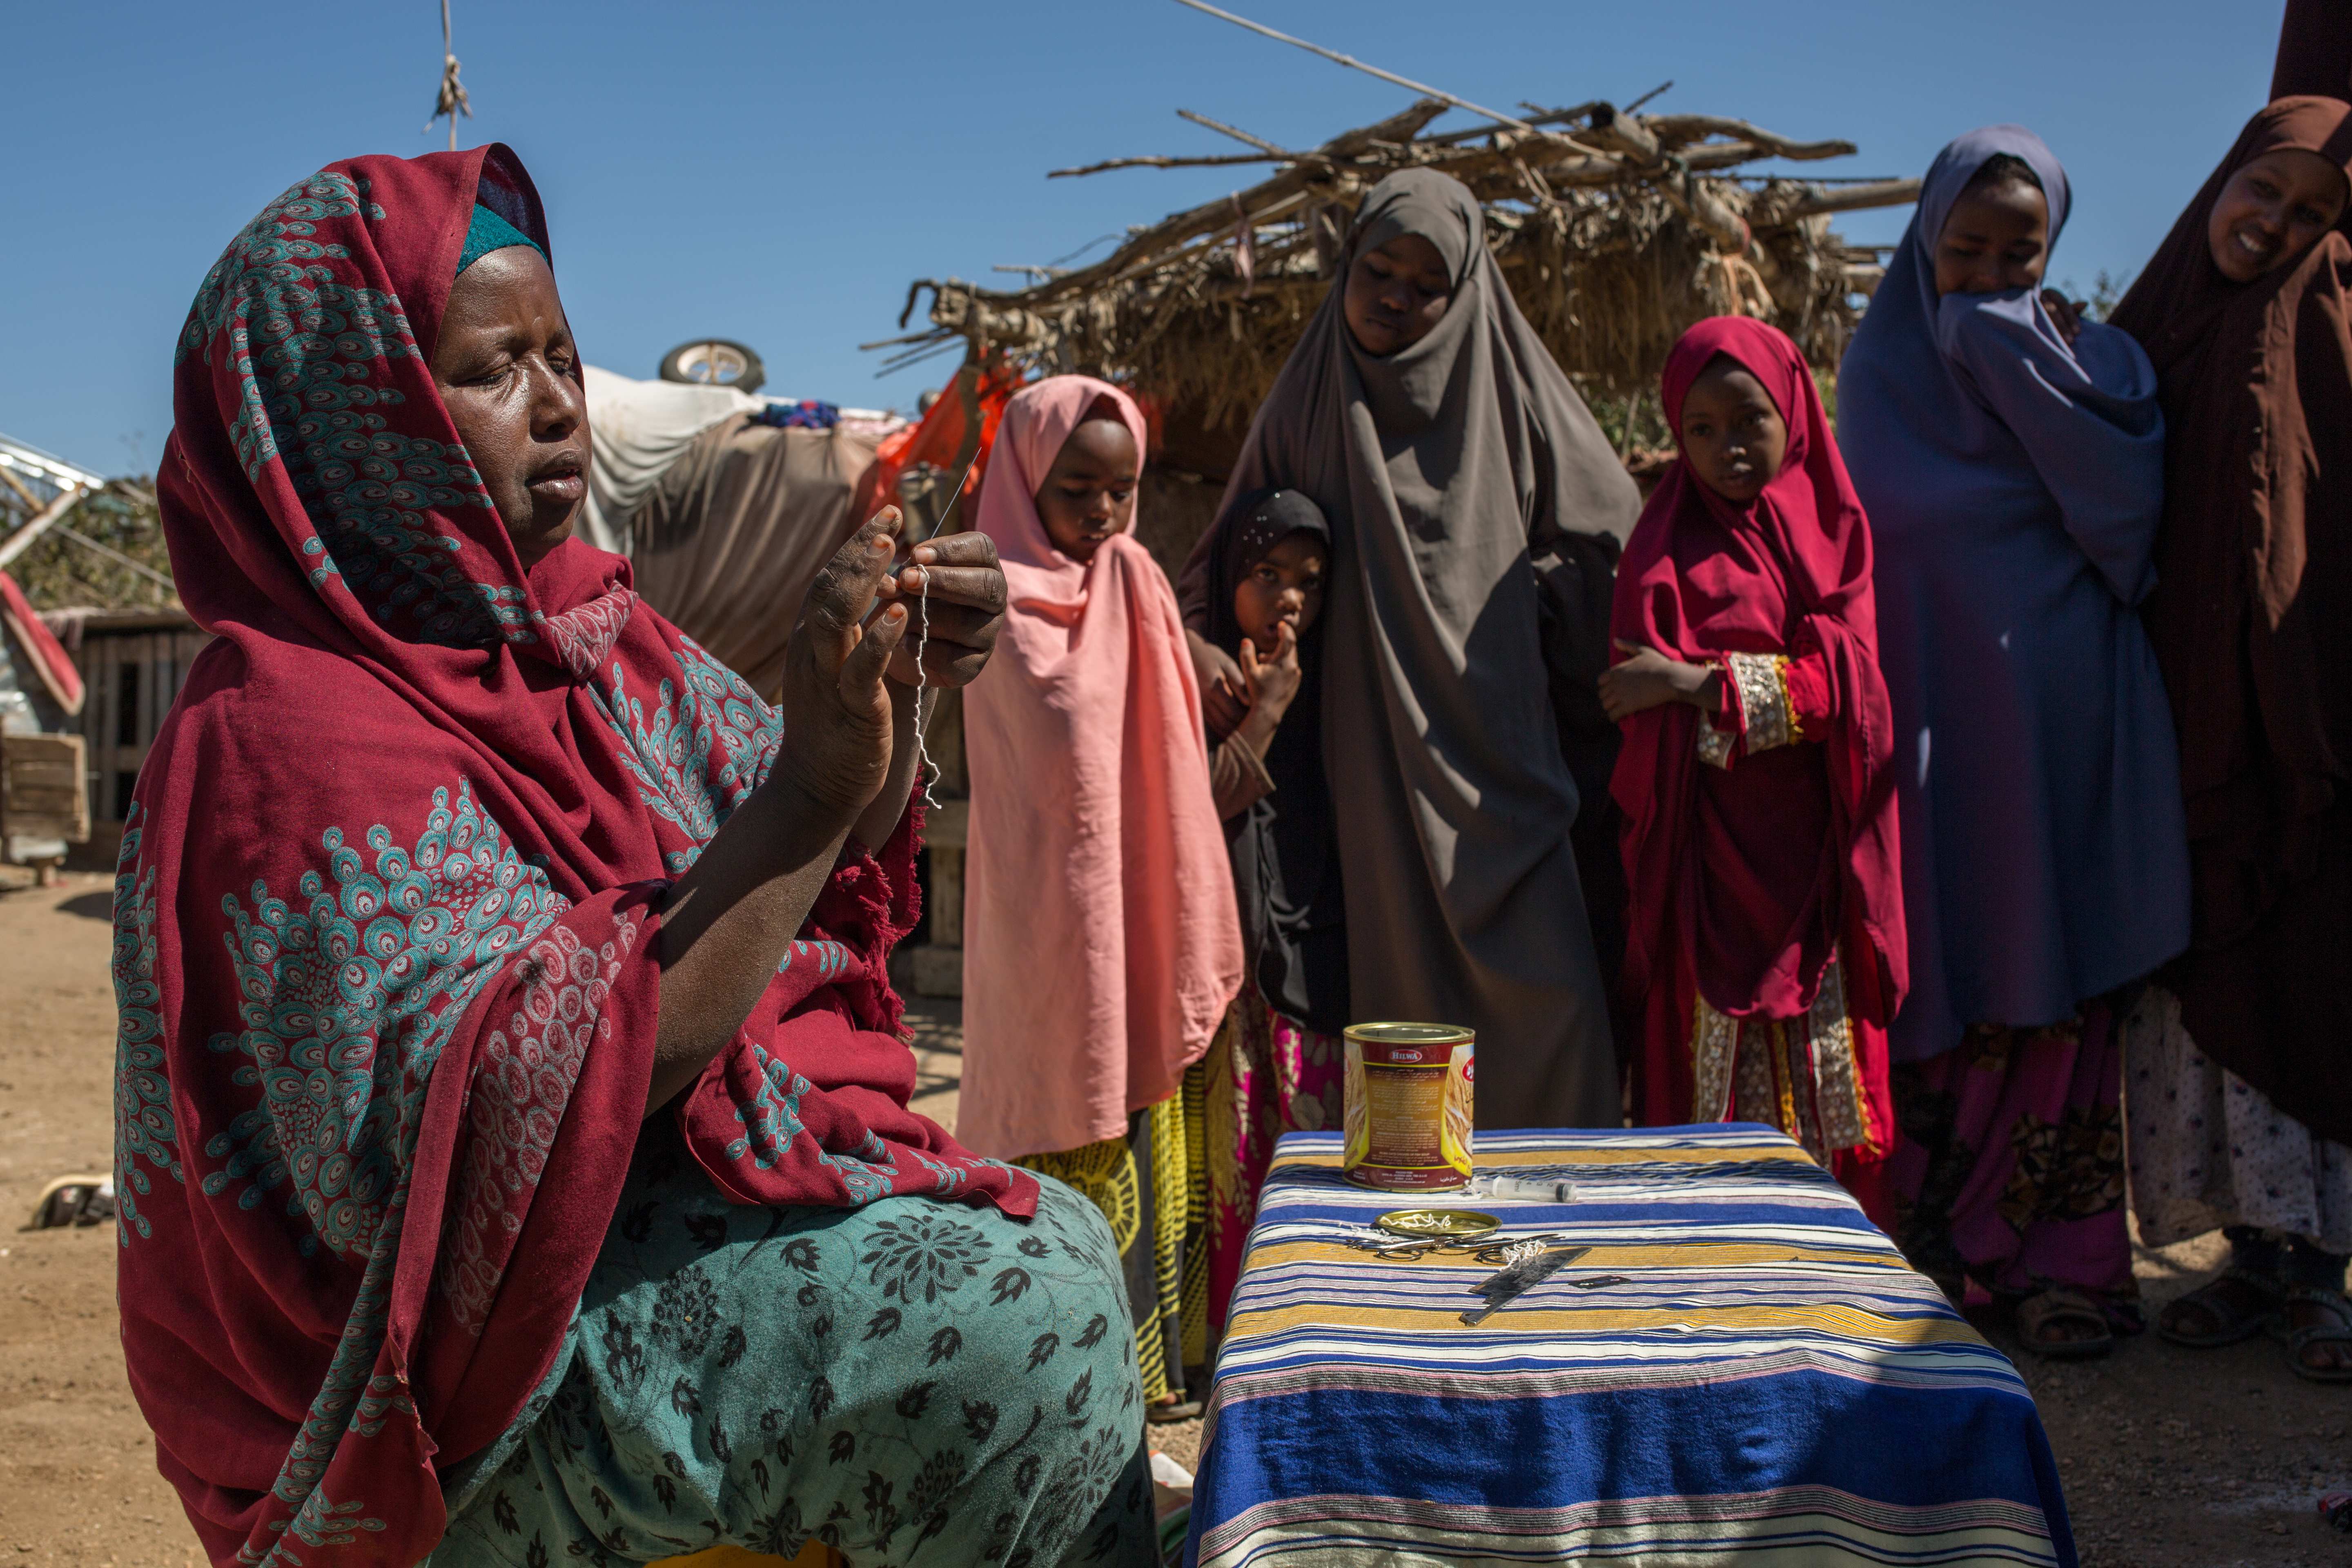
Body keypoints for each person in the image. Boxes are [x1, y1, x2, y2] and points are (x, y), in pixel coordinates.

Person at [116, 147, 1155, 1568]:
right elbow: (501, 1126)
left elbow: (791, 837)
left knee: (1059, 1245)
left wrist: (886, 690)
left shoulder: (594, 635)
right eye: (491, 372)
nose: (557, 406)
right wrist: (808, 790)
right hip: (453, 1388)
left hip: (622, 1232)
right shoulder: (286, 739)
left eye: (562, 353)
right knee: (1019, 1332)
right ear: (360, 415)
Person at [1176, 167, 1644, 1129]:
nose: (1395, 297)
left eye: (1426, 284)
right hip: (1372, 756)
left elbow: (1619, 547)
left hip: (1505, 751)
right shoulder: (1309, 402)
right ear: (1345, 266)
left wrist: (1541, 595)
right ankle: (1422, 1234)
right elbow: (1217, 564)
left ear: (1467, 293)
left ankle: (1562, 1212)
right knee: (1399, 997)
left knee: (1554, 986)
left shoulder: (1512, 392)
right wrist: (1193, 644)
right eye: (1378, 269)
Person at [1835, 127, 2183, 1359]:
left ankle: (2059, 1266)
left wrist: (2025, 367)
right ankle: (1929, 1264)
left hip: (2062, 729)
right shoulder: (1871, 388)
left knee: (2061, 986)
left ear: (2054, 253)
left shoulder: (2094, 369)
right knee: (1943, 974)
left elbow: (2128, 523)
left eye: (2016, 255)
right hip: (1929, 754)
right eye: (1962, 251)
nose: (1984, 279)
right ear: (1923, 243)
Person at [2108, 98, 2352, 1383]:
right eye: (2269, 189)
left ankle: (2323, 1273)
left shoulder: (2330, 325)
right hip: (2170, 719)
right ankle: (2243, 1259)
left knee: (2309, 973)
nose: (2281, 223)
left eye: (2317, 213)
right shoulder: (2144, 332)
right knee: (2203, 980)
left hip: (2308, 731)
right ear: (2226, 174)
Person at [956, 375, 1243, 1412]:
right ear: (1029, 478)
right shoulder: (984, 596)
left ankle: (1160, 1370)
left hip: (1143, 911)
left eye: (1121, 491)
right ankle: (1068, 1372)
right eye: (1079, 489)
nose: (1103, 513)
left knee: (1148, 1129)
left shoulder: (1135, 578)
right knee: (1066, 1120)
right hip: (1044, 927)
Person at [1601, 317, 1903, 1220]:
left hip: (1815, 866)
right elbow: (1635, 707)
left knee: (1828, 1086)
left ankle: (1834, 1283)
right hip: (1706, 870)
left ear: (1796, 414)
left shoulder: (1836, 537)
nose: (1727, 447)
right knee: (1702, 1081)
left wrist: (1696, 684)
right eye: (1701, 429)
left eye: (1749, 421)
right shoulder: (1658, 553)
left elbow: (1853, 698)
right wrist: (1759, 702)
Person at [1195, 486, 1346, 1338]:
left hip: (1312, 942)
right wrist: (1265, 713)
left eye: (1310, 580)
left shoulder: (1341, 688)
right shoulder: (1196, 680)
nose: (1290, 597)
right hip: (1225, 949)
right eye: (1266, 572)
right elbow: (1194, 802)